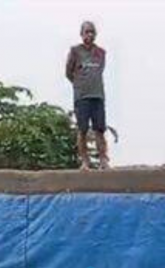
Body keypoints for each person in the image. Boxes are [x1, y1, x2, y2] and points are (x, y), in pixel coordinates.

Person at [66, 21, 109, 170]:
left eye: (92, 32)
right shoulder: (75, 51)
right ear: (81, 34)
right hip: (82, 96)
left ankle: (103, 160)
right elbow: (68, 72)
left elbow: (99, 71)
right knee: (82, 129)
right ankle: (85, 161)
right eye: (87, 32)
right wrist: (78, 84)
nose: (89, 35)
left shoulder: (101, 52)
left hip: (97, 95)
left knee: (100, 129)